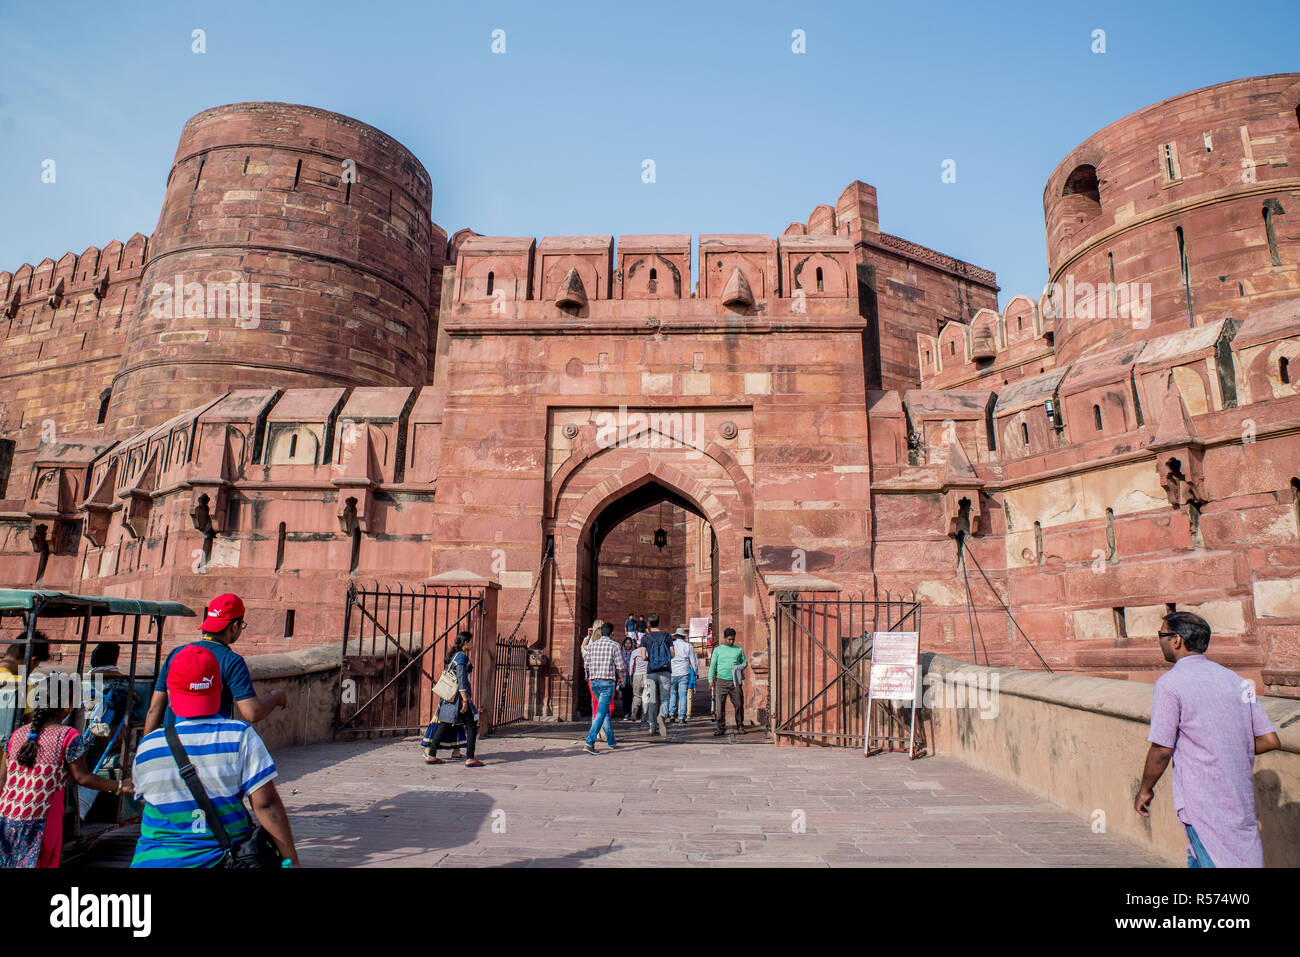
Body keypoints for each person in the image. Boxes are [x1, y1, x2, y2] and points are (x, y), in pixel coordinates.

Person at [131, 644, 299, 867]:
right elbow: (266, 805)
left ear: (170, 693)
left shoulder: (148, 746)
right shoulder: (239, 736)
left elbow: (150, 803)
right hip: (222, 859)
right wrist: (292, 861)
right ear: (218, 688)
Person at [1135, 611, 1280, 867]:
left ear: (1177, 640)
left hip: (1203, 803)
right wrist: (1226, 745)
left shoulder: (1170, 684)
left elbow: (1162, 749)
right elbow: (1269, 740)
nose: (1160, 641)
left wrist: (1145, 789)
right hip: (1239, 800)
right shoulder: (1237, 681)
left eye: (1161, 635)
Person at [0, 673, 127, 867]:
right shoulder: (68, 736)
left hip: (7, 818)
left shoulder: (17, 734)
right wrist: (120, 785)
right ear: (67, 705)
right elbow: (82, 777)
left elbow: (2, 780)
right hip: (42, 823)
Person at [143, 593, 287, 734]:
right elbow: (252, 713)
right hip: (211, 747)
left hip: (173, 746)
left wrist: (145, 749)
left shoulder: (176, 654)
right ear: (234, 626)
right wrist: (276, 697)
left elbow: (154, 709)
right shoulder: (232, 661)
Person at [423, 632, 484, 767]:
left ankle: (431, 754)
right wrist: (464, 700)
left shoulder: (454, 656)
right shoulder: (461, 657)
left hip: (449, 699)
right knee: (471, 725)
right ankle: (470, 758)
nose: (473, 644)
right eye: (471, 641)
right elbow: (461, 680)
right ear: (466, 643)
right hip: (458, 699)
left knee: (444, 724)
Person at [581, 623, 624, 754]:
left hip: (594, 682)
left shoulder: (592, 645)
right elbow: (620, 665)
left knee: (603, 711)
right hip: (607, 682)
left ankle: (611, 741)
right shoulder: (614, 645)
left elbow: (586, 664)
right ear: (611, 634)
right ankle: (589, 742)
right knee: (601, 712)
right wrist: (621, 677)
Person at [709, 627, 748, 736]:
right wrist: (710, 680)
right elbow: (713, 665)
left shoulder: (738, 650)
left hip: (735, 681)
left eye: (733, 640)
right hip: (721, 681)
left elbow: (745, 663)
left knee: (739, 704)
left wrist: (740, 667)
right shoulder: (718, 650)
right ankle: (720, 728)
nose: (731, 641)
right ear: (724, 638)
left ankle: (740, 725)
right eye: (729, 639)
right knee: (719, 706)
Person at [642, 614, 674, 737]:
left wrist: (652, 659)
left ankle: (652, 726)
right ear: (659, 622)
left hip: (651, 672)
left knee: (652, 699)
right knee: (665, 698)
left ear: (649, 624)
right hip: (665, 671)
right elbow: (673, 654)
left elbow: (643, 656)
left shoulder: (645, 638)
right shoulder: (667, 636)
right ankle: (661, 715)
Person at [668, 627, 699, 724]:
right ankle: (682, 717)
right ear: (683, 636)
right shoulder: (688, 646)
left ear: (676, 636)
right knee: (682, 695)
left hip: (672, 672)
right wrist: (696, 672)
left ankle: (672, 715)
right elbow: (693, 661)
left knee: (672, 694)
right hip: (684, 672)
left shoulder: (671, 645)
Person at [627, 634, 648, 724]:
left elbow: (631, 665)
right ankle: (644, 716)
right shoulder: (648, 652)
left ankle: (634, 713)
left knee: (636, 695)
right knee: (646, 697)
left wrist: (630, 675)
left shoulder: (634, 652)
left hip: (637, 675)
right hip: (647, 675)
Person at [620, 637, 635, 718]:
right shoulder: (620, 652)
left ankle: (632, 712)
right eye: (626, 643)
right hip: (623, 677)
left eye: (629, 643)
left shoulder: (634, 652)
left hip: (632, 676)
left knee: (632, 696)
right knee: (625, 696)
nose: (628, 645)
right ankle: (626, 713)